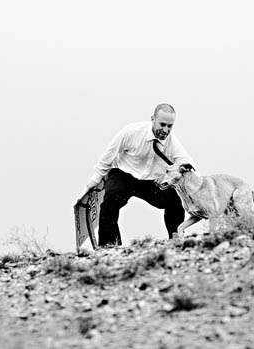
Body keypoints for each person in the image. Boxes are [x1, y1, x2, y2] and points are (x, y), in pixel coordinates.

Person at [83, 104, 196, 247]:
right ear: (153, 119)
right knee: (110, 202)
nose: (165, 130)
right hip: (124, 175)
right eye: (162, 124)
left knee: (175, 199)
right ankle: (108, 246)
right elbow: (108, 157)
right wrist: (93, 182)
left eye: (169, 126)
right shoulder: (131, 132)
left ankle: (176, 240)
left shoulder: (172, 144)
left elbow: (188, 165)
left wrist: (198, 191)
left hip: (152, 182)